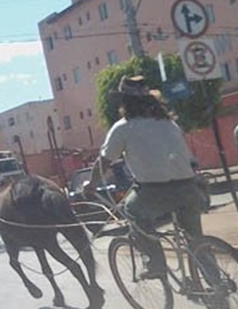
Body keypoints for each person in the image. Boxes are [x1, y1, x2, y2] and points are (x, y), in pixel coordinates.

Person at [84, 75, 208, 279]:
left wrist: (91, 184)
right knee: (197, 240)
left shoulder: (123, 127)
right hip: (189, 188)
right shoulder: (169, 124)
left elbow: (104, 161)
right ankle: (216, 282)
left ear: (125, 102)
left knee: (131, 210)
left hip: (155, 192)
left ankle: (155, 263)